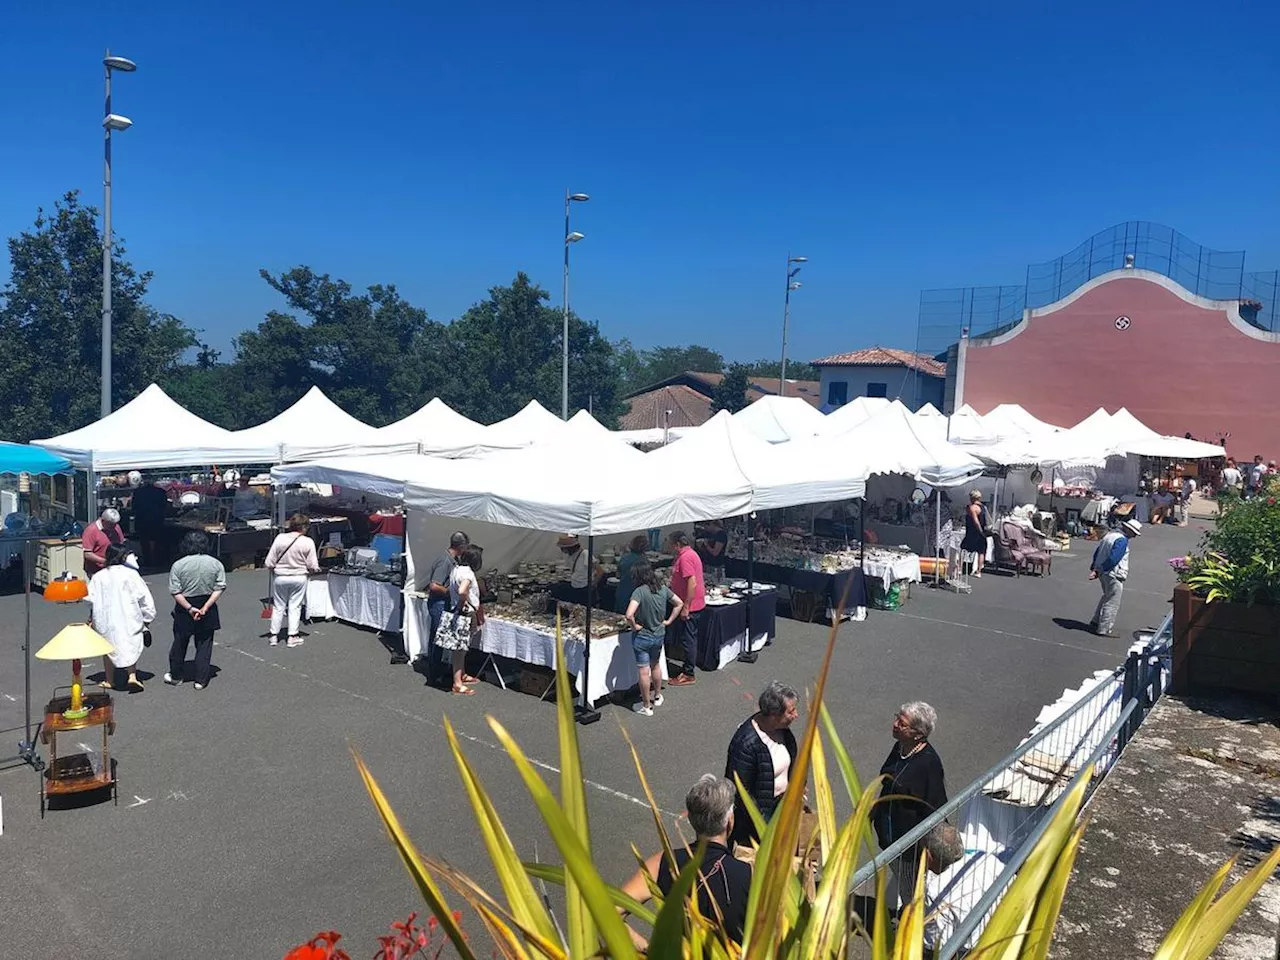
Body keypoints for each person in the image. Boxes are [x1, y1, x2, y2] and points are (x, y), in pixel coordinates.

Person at [618, 775, 752, 947]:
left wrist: (648, 951)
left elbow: (611, 911)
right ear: (729, 822)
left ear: (691, 820)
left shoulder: (663, 863)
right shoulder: (749, 874)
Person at [872, 702, 947, 916]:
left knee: (909, 887)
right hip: (889, 830)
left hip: (908, 842)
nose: (894, 724)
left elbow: (934, 806)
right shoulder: (901, 747)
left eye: (901, 723)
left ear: (918, 734)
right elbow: (887, 775)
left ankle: (910, 928)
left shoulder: (929, 764)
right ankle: (890, 908)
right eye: (897, 717)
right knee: (901, 873)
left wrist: (926, 845)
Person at [724, 681, 800, 848]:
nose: (796, 715)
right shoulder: (745, 744)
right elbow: (741, 792)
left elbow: (791, 763)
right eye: (791, 711)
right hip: (760, 818)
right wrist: (762, 822)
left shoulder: (783, 732)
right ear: (774, 715)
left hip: (783, 807)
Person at [87, 542, 156, 691]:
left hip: (105, 616)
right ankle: (132, 676)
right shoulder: (131, 574)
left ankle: (110, 680)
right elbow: (144, 597)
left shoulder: (98, 576)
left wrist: (91, 619)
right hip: (128, 614)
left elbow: (91, 600)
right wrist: (148, 617)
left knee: (107, 646)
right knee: (129, 642)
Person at [165, 531, 227, 691]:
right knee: (204, 644)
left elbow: (175, 591)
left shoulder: (178, 565)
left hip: (185, 605)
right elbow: (220, 587)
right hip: (208, 604)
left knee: (180, 642)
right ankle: (201, 679)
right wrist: (206, 607)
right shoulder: (215, 563)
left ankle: (176, 675)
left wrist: (189, 608)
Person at [625, 560, 682, 716]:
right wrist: (669, 621)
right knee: (655, 665)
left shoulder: (639, 592)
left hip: (642, 637)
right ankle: (657, 695)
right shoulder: (662, 589)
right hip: (658, 634)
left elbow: (629, 614)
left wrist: (634, 626)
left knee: (644, 672)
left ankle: (646, 705)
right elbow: (679, 603)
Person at [265, 514, 321, 647]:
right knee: (295, 606)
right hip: (299, 576)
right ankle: (292, 636)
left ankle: (274, 635)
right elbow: (313, 565)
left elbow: (269, 561)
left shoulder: (280, 538)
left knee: (279, 606)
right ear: (304, 527)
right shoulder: (308, 542)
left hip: (281, 576)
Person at [424, 531, 470, 684]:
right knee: (437, 639)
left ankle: (438, 670)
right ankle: (434, 674)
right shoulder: (445, 561)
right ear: (461, 546)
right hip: (438, 603)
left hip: (442, 603)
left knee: (440, 638)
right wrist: (451, 592)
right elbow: (434, 586)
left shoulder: (451, 560)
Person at [442, 544, 485, 695]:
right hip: (465, 613)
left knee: (461, 646)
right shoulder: (468, 574)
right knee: (460, 649)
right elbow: (462, 590)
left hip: (457, 612)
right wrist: (463, 603)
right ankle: (457, 683)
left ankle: (462, 675)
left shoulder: (456, 569)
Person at [1089, 518, 1141, 638]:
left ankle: (1096, 621)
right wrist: (1102, 568)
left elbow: (1098, 552)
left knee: (1107, 596)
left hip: (1103, 572)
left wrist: (1096, 568)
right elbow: (1114, 558)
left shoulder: (1109, 536)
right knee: (1112, 601)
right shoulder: (1122, 540)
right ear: (1128, 530)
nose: (1134, 535)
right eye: (1133, 532)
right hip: (1114, 573)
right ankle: (1104, 628)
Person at [667, 530, 707, 686]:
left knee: (688, 639)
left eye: (671, 544)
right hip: (692, 603)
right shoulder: (689, 555)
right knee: (689, 637)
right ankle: (687, 668)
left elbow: (692, 583)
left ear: (677, 544)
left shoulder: (686, 558)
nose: (670, 547)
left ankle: (689, 673)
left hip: (691, 606)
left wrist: (686, 607)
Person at [130, 477, 169, 567]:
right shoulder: (160, 491)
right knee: (158, 540)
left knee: (144, 541)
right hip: (157, 518)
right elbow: (165, 506)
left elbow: (134, 507)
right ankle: (157, 560)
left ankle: (148, 560)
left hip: (142, 519)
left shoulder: (138, 492)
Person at [556, 534, 602, 605]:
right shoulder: (570, 556)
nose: (563, 551)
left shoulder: (585, 554)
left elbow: (600, 571)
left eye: (563, 548)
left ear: (570, 547)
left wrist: (593, 584)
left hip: (585, 589)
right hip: (575, 588)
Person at [82, 507, 126, 577]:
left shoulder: (116, 527)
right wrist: (105, 561)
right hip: (96, 571)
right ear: (103, 520)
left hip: (114, 569)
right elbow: (87, 553)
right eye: (110, 524)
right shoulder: (91, 530)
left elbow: (121, 544)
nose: (113, 527)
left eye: (115, 524)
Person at [613, 535, 649, 614]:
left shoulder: (624, 558)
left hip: (622, 592)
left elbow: (617, 575)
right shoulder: (644, 561)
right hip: (636, 595)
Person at [961, 490, 990, 578]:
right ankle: (978, 571)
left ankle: (959, 568)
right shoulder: (984, 507)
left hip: (972, 531)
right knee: (981, 551)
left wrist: (979, 530)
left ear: (972, 497)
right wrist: (983, 532)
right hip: (982, 533)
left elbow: (976, 521)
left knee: (963, 549)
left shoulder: (972, 507)